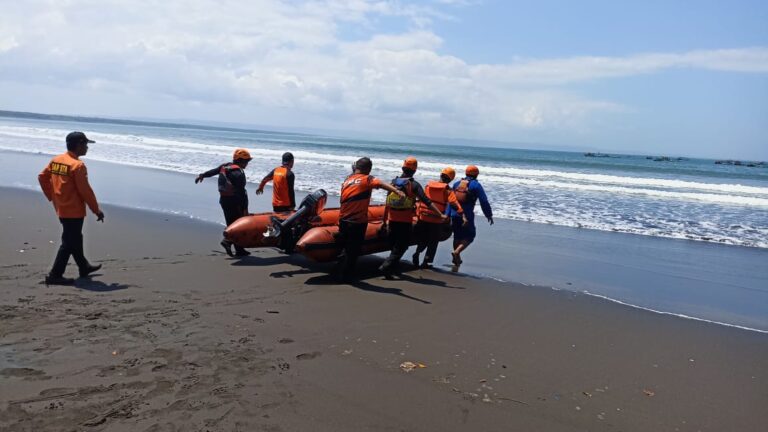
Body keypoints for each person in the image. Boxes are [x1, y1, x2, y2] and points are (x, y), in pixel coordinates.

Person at [38, 131, 105, 285]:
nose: (87, 148)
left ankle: (84, 267)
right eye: (86, 144)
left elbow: (42, 177)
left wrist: (52, 196)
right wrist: (96, 210)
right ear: (79, 145)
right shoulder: (77, 165)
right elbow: (85, 190)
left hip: (61, 207)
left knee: (75, 237)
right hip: (73, 210)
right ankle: (55, 274)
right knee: (68, 242)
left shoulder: (57, 160)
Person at [337, 157, 404, 282]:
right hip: (356, 222)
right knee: (353, 250)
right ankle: (346, 276)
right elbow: (381, 184)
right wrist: (396, 191)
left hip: (343, 219)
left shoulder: (348, 179)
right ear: (368, 169)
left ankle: (340, 270)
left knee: (345, 247)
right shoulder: (367, 179)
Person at [378, 157, 446, 279]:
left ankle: (393, 269)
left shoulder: (394, 182)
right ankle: (386, 266)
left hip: (392, 218)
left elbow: (387, 203)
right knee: (402, 246)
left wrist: (384, 221)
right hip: (404, 220)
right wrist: (440, 214)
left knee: (395, 245)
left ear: (403, 168)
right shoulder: (414, 185)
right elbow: (427, 201)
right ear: (414, 170)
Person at [195, 148, 253, 257]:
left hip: (224, 200)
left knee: (231, 224)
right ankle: (227, 241)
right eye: (246, 161)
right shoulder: (238, 173)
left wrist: (202, 175)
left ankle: (239, 250)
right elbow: (242, 193)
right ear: (240, 160)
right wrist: (245, 208)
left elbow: (213, 171)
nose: (247, 163)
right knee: (238, 226)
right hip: (235, 202)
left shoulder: (225, 166)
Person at [412, 167, 467, 269]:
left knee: (423, 238)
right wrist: (462, 214)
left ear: (441, 175)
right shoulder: (447, 190)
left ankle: (417, 252)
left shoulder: (428, 186)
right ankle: (426, 262)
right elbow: (454, 203)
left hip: (423, 216)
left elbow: (421, 199)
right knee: (433, 241)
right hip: (436, 219)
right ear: (450, 179)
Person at [448, 165, 493, 272]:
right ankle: (457, 252)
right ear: (476, 175)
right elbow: (484, 201)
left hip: (455, 213)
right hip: (467, 215)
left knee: (457, 236)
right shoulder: (476, 185)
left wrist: (448, 214)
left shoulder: (456, 184)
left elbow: (450, 200)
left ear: (466, 173)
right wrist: (488, 214)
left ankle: (456, 260)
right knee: (470, 235)